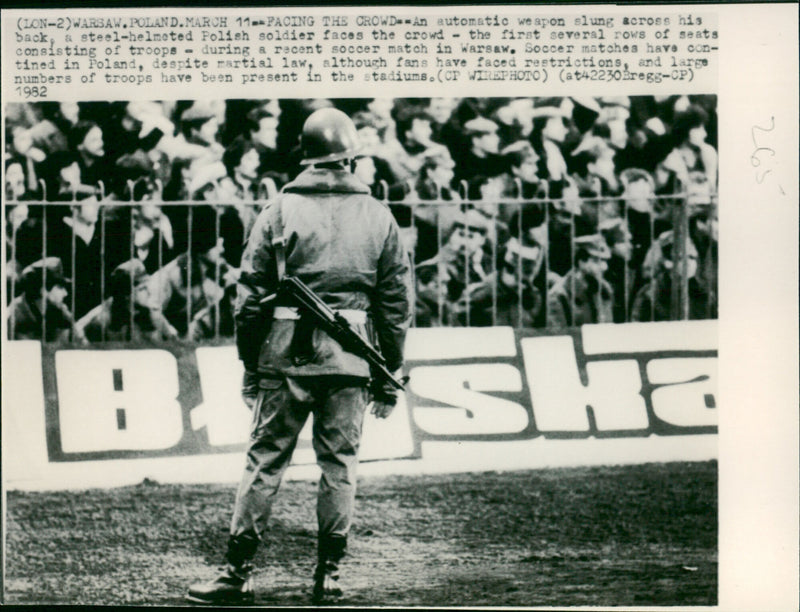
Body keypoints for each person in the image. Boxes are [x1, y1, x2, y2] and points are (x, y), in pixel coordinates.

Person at [186, 108, 412, 605]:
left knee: (264, 463)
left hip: (284, 357)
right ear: (350, 155)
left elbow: (248, 299)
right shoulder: (378, 215)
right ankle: (329, 575)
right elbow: (396, 303)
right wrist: (388, 368)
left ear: (306, 157)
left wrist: (251, 363)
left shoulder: (277, 211)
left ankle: (237, 573)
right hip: (352, 359)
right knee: (340, 465)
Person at [77, 259, 170, 342]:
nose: (148, 291)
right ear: (128, 291)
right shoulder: (105, 312)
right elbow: (78, 327)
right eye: (142, 288)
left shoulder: (148, 311)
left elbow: (170, 338)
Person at [8, 257, 86, 343]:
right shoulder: (14, 314)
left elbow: (82, 343)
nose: (65, 293)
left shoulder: (62, 312)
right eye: (60, 287)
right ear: (43, 290)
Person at [546, 234, 614, 328]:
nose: (604, 267)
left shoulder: (603, 290)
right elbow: (560, 336)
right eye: (597, 261)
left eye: (605, 261)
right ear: (581, 261)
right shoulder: (559, 295)